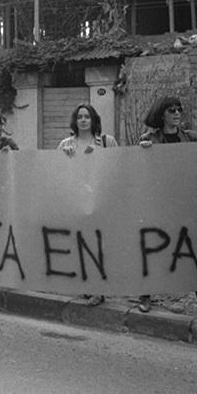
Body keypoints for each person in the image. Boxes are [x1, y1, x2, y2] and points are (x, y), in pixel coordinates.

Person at [136, 96, 197, 317]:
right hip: (161, 202)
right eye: (171, 110)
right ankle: (145, 295)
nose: (176, 114)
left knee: (195, 249)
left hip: (188, 202)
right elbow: (142, 170)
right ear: (161, 114)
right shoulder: (149, 139)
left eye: (179, 110)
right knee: (155, 249)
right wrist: (143, 152)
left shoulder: (193, 137)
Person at [57, 104, 118, 306]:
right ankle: (85, 285)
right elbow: (56, 170)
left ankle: (98, 290)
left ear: (94, 120)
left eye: (87, 116)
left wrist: (99, 154)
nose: (83, 120)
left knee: (98, 245)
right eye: (80, 117)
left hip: (100, 200)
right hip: (75, 200)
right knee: (80, 243)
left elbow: (117, 166)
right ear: (75, 121)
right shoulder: (66, 143)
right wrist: (64, 157)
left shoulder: (107, 142)